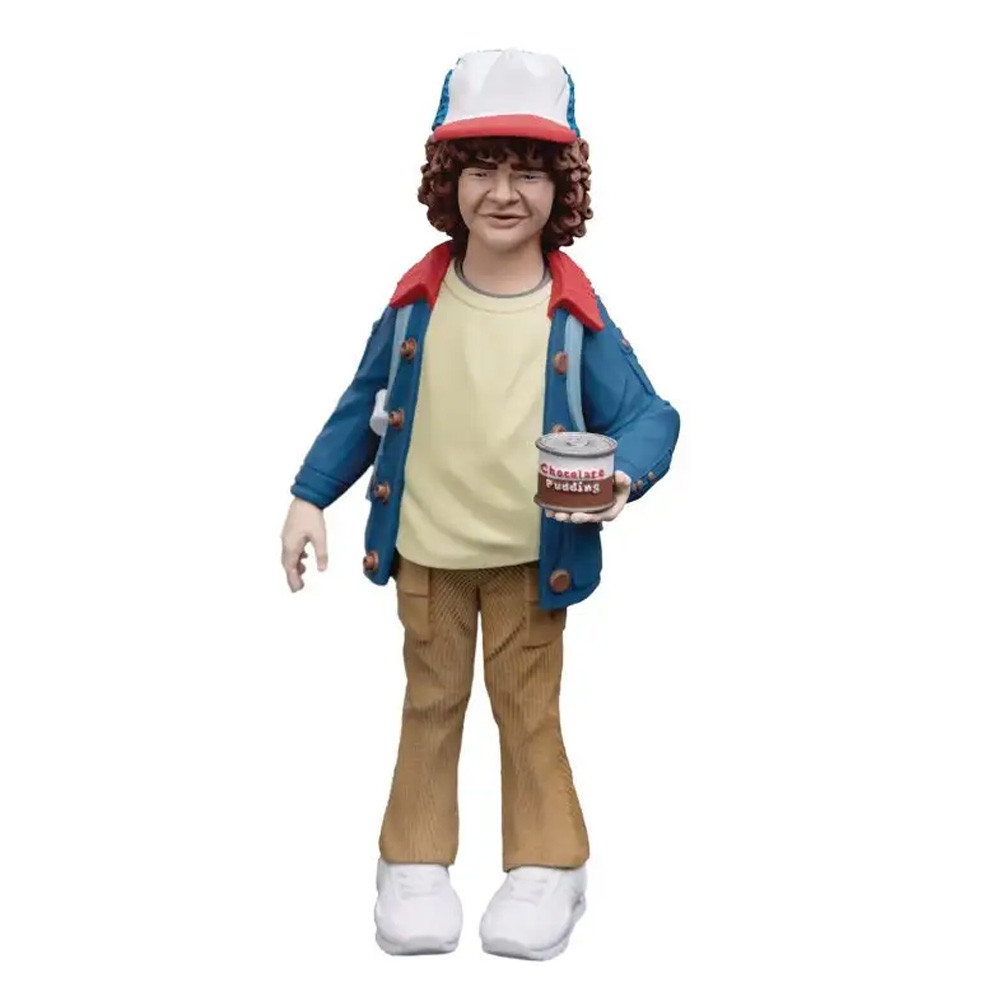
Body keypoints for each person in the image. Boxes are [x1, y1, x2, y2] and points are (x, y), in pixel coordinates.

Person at [280, 48, 680, 960]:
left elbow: (650, 415)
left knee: (527, 710)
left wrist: (620, 476)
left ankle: (548, 863)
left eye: (528, 172)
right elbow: (361, 405)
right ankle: (414, 860)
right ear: (447, 181)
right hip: (426, 553)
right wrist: (310, 495)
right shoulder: (416, 304)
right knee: (430, 701)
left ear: (561, 188)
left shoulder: (573, 313)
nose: (503, 194)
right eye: (482, 169)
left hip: (533, 561)